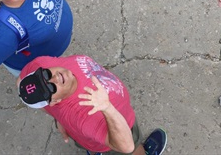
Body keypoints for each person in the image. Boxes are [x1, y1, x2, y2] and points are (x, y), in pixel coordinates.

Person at [17, 55, 167, 154]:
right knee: (133, 148)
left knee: (91, 142)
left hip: (88, 137)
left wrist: (58, 118)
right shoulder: (82, 116)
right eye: (51, 88)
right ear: (55, 101)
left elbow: (20, 81)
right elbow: (125, 146)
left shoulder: (41, 64)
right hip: (118, 131)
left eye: (45, 75)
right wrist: (107, 108)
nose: (55, 78)